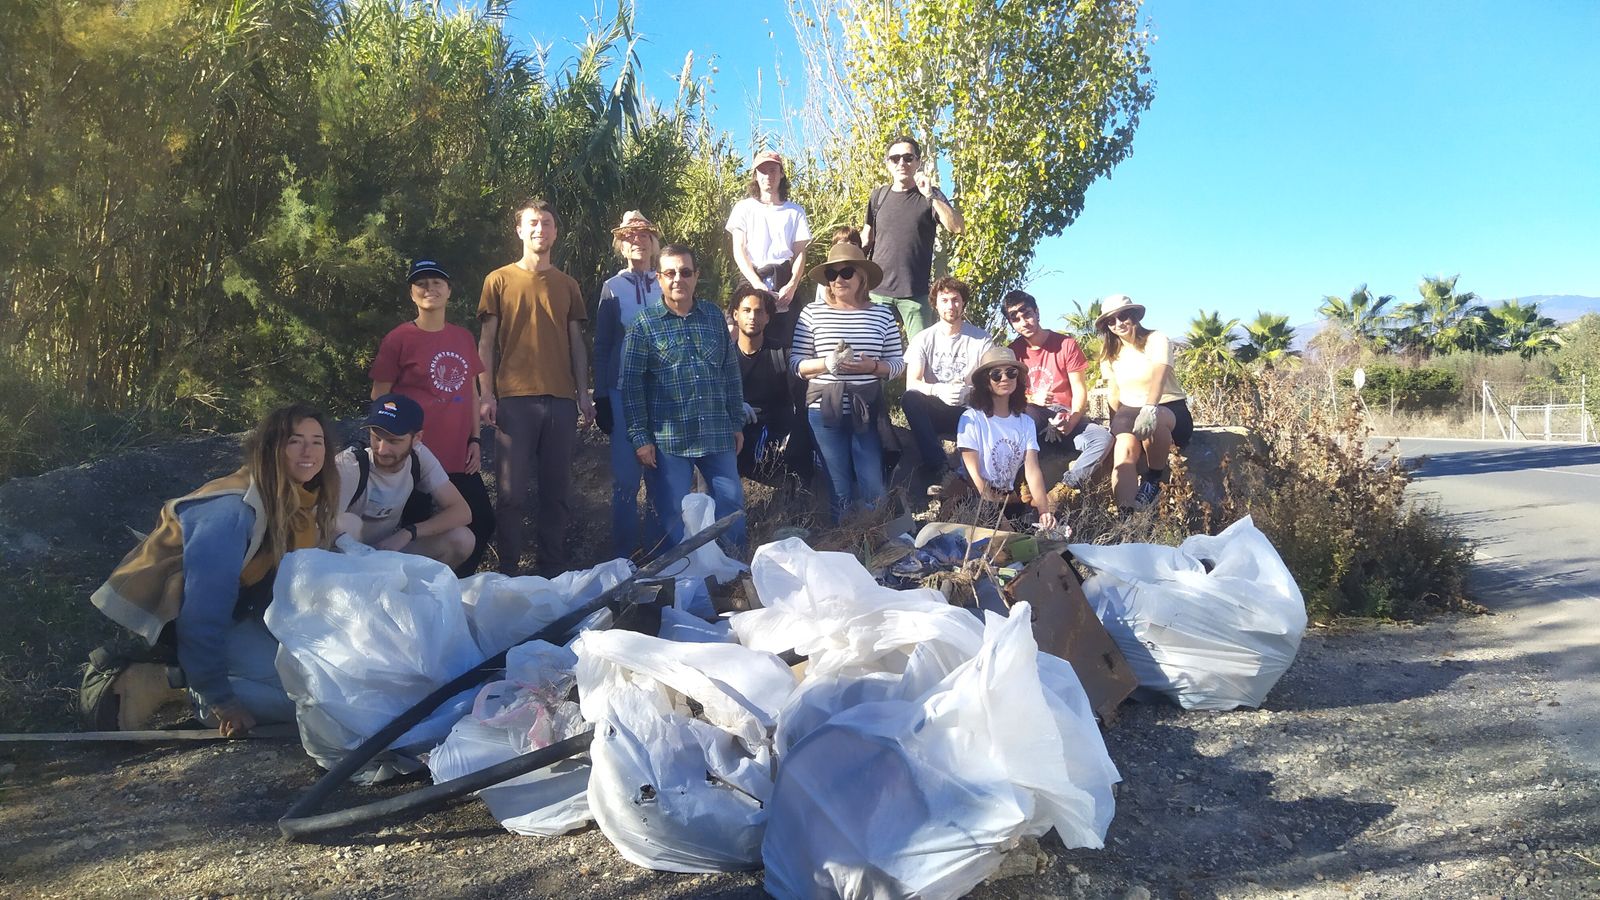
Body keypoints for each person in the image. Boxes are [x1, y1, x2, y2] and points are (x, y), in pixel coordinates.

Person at [86, 404, 340, 736]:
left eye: (317, 441)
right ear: (271, 447)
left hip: (243, 610)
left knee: (328, 673)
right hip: (187, 622)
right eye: (295, 441)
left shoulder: (297, 501)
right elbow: (202, 614)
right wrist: (223, 701)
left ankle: (182, 678)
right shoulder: (232, 511)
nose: (308, 452)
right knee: (318, 702)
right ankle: (197, 696)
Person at [477, 199, 593, 577]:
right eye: (532, 222)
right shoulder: (498, 280)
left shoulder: (568, 285)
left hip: (560, 400)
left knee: (556, 494)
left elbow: (576, 342)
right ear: (520, 230)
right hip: (513, 399)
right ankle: (507, 571)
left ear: (555, 232)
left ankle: (552, 574)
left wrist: (583, 393)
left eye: (546, 223)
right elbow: (486, 341)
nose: (540, 228)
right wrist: (486, 394)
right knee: (510, 494)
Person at [620, 245, 748, 553]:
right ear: (658, 279)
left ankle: (732, 574)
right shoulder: (644, 324)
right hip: (668, 441)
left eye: (686, 272)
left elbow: (730, 373)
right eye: (671, 273)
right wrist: (640, 437)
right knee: (670, 512)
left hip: (716, 433)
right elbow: (632, 385)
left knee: (730, 505)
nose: (679, 279)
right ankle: (674, 578)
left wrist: (736, 422)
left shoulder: (714, 318)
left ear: (696, 277)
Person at [370, 257, 493, 574]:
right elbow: (379, 396)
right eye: (421, 284)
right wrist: (396, 444)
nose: (429, 289)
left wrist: (475, 439)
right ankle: (413, 593)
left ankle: (456, 587)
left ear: (448, 290)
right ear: (412, 293)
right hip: (415, 460)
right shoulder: (399, 339)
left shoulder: (462, 337)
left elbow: (471, 393)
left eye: (436, 283)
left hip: (457, 457)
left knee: (482, 520)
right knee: (418, 529)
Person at [790, 242, 905, 522]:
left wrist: (873, 367)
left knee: (873, 487)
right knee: (838, 489)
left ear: (861, 277)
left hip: (865, 407)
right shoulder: (811, 313)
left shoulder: (882, 314)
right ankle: (844, 548)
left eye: (846, 272)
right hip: (823, 409)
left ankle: (872, 543)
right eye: (832, 274)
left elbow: (898, 364)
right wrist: (827, 363)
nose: (838, 280)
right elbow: (796, 363)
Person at [592, 210, 666, 560]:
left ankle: (657, 550)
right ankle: (623, 555)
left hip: (663, 391)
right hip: (623, 390)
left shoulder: (667, 279)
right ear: (621, 244)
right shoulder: (612, 287)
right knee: (625, 479)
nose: (637, 240)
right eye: (629, 236)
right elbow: (603, 343)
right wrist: (601, 396)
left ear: (654, 242)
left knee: (660, 474)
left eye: (643, 235)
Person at [334, 394, 476, 567]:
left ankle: (424, 593)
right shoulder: (350, 465)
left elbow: (462, 511)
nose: (382, 449)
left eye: (394, 441)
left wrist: (408, 533)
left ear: (416, 439)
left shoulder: (419, 457)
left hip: (385, 550)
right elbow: (326, 527)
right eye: (376, 438)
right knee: (349, 523)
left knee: (462, 539)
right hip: (343, 560)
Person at [1003, 289, 1114, 499]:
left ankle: (1063, 490)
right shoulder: (1012, 353)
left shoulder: (1066, 345)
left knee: (1103, 438)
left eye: (1026, 313)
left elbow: (1080, 389)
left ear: (1036, 312)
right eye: (1015, 318)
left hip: (1064, 417)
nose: (1023, 322)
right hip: (1032, 417)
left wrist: (1072, 420)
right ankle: (1020, 484)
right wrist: (1031, 398)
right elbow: (1007, 395)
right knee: (1024, 417)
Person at [1095, 293, 1193, 511]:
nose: (1118, 323)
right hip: (1129, 410)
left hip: (1168, 406)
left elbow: (1160, 374)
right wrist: (1115, 427)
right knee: (1124, 450)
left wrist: (1150, 407)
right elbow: (1114, 392)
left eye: (1123, 316)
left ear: (1135, 316)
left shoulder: (1156, 339)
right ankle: (1127, 515)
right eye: (1111, 320)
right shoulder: (1110, 353)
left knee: (1154, 422)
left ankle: (1153, 479)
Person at [862, 135, 963, 340]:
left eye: (908, 157)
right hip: (877, 291)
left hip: (915, 294)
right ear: (887, 163)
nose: (902, 163)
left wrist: (930, 195)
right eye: (895, 158)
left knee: (920, 356)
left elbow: (957, 227)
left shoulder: (930, 196)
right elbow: (867, 238)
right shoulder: (878, 196)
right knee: (872, 352)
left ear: (918, 161)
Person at [901, 275, 992, 493]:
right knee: (910, 399)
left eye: (955, 299)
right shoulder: (923, 339)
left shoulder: (982, 339)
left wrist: (970, 392)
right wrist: (937, 389)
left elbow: (992, 381)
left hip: (968, 410)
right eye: (944, 300)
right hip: (935, 408)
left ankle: (972, 479)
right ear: (935, 304)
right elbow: (911, 382)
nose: (951, 305)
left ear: (963, 303)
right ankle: (940, 468)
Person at [953, 347, 1059, 531]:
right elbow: (973, 476)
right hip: (975, 498)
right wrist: (996, 517)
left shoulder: (1026, 422)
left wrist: (1044, 511)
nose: (1005, 379)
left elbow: (1032, 470)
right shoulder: (971, 419)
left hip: (1007, 499)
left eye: (1011, 373)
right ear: (986, 381)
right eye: (996, 374)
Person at [727, 150, 813, 348]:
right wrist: (756, 283)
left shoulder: (795, 211)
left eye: (773, 170)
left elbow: (800, 253)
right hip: (751, 277)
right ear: (755, 176)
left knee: (786, 341)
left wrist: (792, 286)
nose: (768, 176)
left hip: (783, 280)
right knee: (737, 335)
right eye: (763, 171)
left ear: (781, 174)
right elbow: (739, 250)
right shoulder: (743, 207)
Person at [731, 284, 798, 482]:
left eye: (759, 311)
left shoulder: (782, 354)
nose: (752, 316)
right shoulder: (724, 358)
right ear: (736, 315)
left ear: (768, 317)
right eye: (746, 310)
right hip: (735, 434)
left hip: (775, 439)